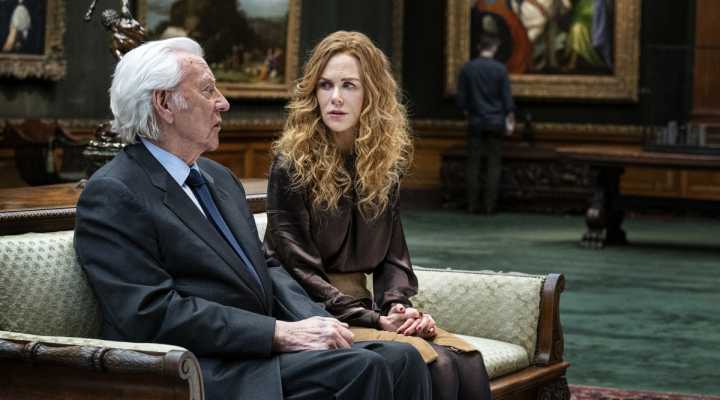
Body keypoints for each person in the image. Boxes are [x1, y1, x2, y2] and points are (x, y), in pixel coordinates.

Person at [73, 37, 431, 400]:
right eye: (208, 90)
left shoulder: (219, 179)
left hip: (256, 352)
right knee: (363, 368)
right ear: (164, 103)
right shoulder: (114, 192)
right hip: (198, 367)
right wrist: (277, 333)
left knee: (404, 359)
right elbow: (150, 313)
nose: (223, 102)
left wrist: (324, 324)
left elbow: (267, 268)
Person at [263, 30, 493, 400]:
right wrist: (377, 320)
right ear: (313, 93)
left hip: (364, 308)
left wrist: (398, 306)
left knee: (466, 361)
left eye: (349, 85)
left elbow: (393, 255)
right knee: (439, 366)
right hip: (310, 312)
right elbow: (298, 268)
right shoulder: (291, 164)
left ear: (371, 93)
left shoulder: (382, 164)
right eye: (325, 85)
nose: (336, 98)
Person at [457, 32, 515, 214]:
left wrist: (468, 114)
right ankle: (490, 207)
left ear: (478, 47)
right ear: (495, 48)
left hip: (475, 122)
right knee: (494, 165)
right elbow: (507, 100)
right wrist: (510, 121)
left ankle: (472, 205)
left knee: (473, 164)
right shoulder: (500, 70)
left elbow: (462, 101)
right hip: (496, 122)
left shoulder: (468, 69)